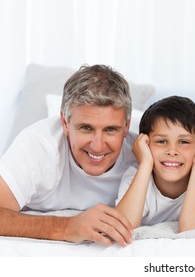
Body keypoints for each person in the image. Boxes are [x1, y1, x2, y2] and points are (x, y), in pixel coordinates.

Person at [0, 64, 138, 246]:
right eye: (86, 128)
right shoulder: (38, 145)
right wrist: (67, 227)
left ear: (127, 126)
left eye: (111, 129)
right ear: (65, 123)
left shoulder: (143, 153)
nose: (97, 146)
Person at [115, 96, 195, 232]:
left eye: (184, 142)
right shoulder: (136, 176)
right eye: (161, 141)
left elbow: (193, 232)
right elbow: (122, 226)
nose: (172, 151)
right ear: (145, 144)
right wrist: (145, 163)